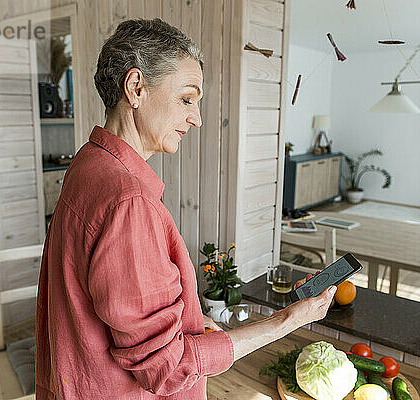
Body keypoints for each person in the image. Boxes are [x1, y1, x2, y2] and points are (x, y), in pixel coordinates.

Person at [35, 18, 337, 399]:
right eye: (186, 99)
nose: (195, 118)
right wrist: (287, 321)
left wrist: (194, 321)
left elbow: (119, 307)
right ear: (136, 88)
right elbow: (168, 368)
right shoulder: (129, 201)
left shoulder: (88, 163)